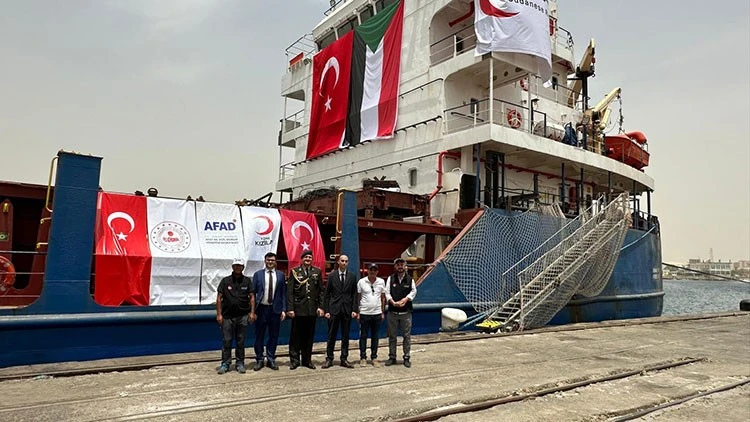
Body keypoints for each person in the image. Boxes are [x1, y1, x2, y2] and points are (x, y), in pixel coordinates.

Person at [216, 258, 256, 374]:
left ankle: (240, 363)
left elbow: (252, 297)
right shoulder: (225, 281)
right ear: (232, 267)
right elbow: (219, 298)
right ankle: (225, 363)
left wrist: (252, 312)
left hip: (242, 316)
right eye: (236, 266)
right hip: (227, 316)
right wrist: (219, 314)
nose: (238, 268)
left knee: (240, 341)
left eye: (240, 266)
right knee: (227, 341)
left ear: (243, 267)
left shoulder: (247, 281)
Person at [286, 249, 324, 370]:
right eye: (305, 257)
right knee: (296, 336)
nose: (308, 259)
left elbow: (320, 291)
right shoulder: (295, 272)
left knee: (309, 336)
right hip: (298, 309)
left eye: (310, 257)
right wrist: (290, 308)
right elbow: (290, 292)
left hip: (311, 309)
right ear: (302, 259)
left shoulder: (317, 272)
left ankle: (307, 360)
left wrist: (321, 307)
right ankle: (294, 360)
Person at [322, 254, 358, 369]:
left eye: (346, 261)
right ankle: (329, 358)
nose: (344, 263)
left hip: (346, 310)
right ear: (338, 262)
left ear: (348, 263)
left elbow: (354, 295)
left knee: (345, 336)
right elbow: (326, 295)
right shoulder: (332, 276)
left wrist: (354, 310)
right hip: (334, 310)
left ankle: (344, 358)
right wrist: (326, 310)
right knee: (331, 335)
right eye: (342, 261)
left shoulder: (352, 276)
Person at [251, 252, 286, 371]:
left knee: (273, 336)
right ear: (265, 261)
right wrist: (252, 311)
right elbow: (252, 295)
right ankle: (259, 359)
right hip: (261, 309)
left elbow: (283, 294)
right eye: (268, 260)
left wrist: (283, 310)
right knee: (259, 335)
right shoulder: (258, 275)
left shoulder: (281, 275)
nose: (270, 262)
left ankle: (271, 359)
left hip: (275, 310)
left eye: (272, 260)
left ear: (275, 262)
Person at [384, 257, 417, 368]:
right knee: (392, 336)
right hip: (392, 312)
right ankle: (392, 356)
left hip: (406, 313)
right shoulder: (390, 279)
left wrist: (406, 299)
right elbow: (387, 292)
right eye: (398, 264)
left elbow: (414, 291)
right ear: (395, 267)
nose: (400, 266)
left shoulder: (410, 279)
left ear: (405, 266)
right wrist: (392, 302)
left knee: (406, 336)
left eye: (402, 264)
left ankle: (406, 357)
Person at [357, 263, 386, 367]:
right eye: (371, 269)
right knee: (363, 336)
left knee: (375, 336)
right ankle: (363, 357)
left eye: (375, 270)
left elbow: (383, 298)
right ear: (367, 271)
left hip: (377, 313)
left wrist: (382, 312)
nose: (373, 271)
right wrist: (358, 312)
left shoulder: (381, 282)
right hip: (364, 313)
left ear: (377, 271)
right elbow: (358, 297)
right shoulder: (361, 282)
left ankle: (374, 357)